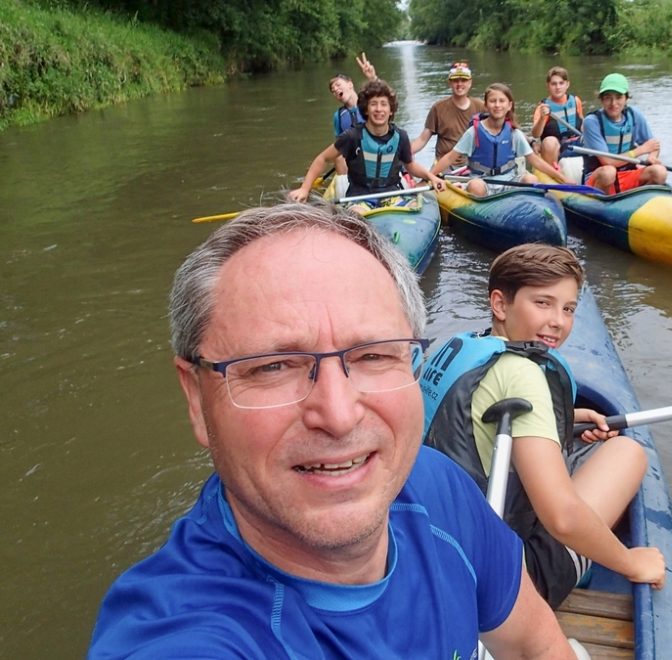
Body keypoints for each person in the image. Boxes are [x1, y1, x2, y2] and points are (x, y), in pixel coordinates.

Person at [88, 204, 580, 658]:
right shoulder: (189, 637)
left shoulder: (436, 487)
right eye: (274, 365)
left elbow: (536, 644)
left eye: (373, 355)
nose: (339, 415)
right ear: (196, 399)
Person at [420, 243, 667, 608]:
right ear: (500, 304)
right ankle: (580, 564)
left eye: (568, 309)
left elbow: (469, 430)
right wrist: (632, 562)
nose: (559, 321)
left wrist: (570, 417)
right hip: (502, 587)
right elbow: (562, 518)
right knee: (627, 452)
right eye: (543, 303)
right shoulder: (523, 373)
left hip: (430, 552)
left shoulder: (455, 347)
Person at [288, 79, 445, 213]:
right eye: (373, 104)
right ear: (366, 109)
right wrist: (304, 188)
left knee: (413, 209)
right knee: (356, 214)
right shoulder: (352, 136)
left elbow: (410, 166)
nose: (378, 109)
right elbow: (322, 158)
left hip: (392, 195)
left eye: (384, 104)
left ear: (391, 110)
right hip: (359, 197)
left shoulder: (400, 136)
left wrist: (431, 177)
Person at [430, 83, 573, 197]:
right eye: (493, 101)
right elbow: (450, 157)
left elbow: (534, 160)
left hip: (510, 180)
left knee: (531, 180)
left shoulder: (514, 133)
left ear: (509, 105)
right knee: (475, 187)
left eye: (501, 101)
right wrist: (430, 176)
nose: (497, 105)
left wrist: (562, 178)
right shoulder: (473, 132)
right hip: (483, 181)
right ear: (486, 105)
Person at [580, 73, 667, 194]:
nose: (613, 103)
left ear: (626, 98)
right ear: (601, 99)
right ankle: (602, 204)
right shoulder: (592, 122)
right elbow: (608, 162)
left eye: (618, 97)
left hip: (627, 174)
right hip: (599, 177)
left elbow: (653, 144)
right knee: (609, 172)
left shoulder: (634, 114)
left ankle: (638, 201)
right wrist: (640, 150)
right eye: (608, 97)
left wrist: (652, 156)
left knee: (660, 172)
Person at [410, 61, 486, 166]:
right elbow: (423, 139)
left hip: (472, 165)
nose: (459, 84)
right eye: (455, 81)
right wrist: (406, 152)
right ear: (449, 82)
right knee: (422, 183)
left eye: (463, 80)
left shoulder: (481, 107)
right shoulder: (438, 108)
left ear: (470, 82)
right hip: (443, 166)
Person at [327, 53, 377, 186]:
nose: (336, 90)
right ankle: (346, 188)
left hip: (376, 153)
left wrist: (372, 78)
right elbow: (339, 145)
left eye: (338, 85)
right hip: (355, 160)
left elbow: (382, 94)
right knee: (338, 157)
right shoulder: (339, 116)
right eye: (333, 90)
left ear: (350, 84)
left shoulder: (369, 102)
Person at [531, 67, 584, 174]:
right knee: (549, 141)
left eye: (561, 83)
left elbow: (582, 123)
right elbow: (536, 134)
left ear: (567, 84)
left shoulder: (576, 101)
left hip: (576, 142)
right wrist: (542, 118)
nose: (558, 87)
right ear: (548, 86)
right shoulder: (543, 107)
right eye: (553, 84)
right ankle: (554, 175)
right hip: (556, 148)